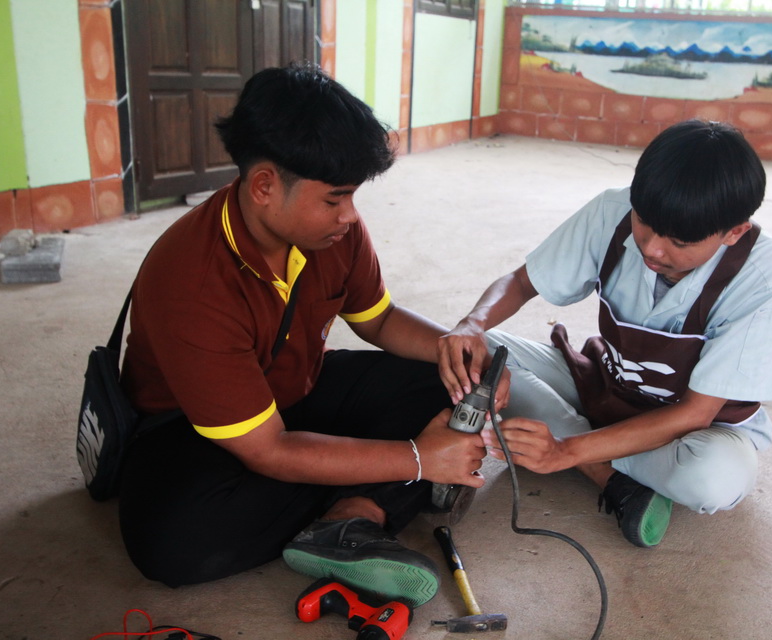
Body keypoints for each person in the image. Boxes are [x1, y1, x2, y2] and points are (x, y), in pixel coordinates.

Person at [118, 64, 497, 606]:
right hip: (194, 433)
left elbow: (380, 320)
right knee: (173, 544)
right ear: (265, 186)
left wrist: (459, 350)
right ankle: (374, 494)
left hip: (293, 390)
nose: (350, 216)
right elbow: (267, 449)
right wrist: (417, 460)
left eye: (353, 197)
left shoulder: (332, 234)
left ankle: (352, 516)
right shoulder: (192, 280)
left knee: (448, 383)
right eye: (334, 199)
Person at [438, 119, 772, 549]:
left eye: (679, 242)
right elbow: (520, 282)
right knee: (479, 354)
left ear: (734, 232)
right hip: (608, 387)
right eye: (644, 222)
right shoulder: (611, 211)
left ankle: (583, 451)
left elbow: (695, 414)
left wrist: (567, 451)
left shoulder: (765, 277)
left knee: (712, 479)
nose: (652, 248)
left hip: (696, 427)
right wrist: (473, 323)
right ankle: (607, 472)